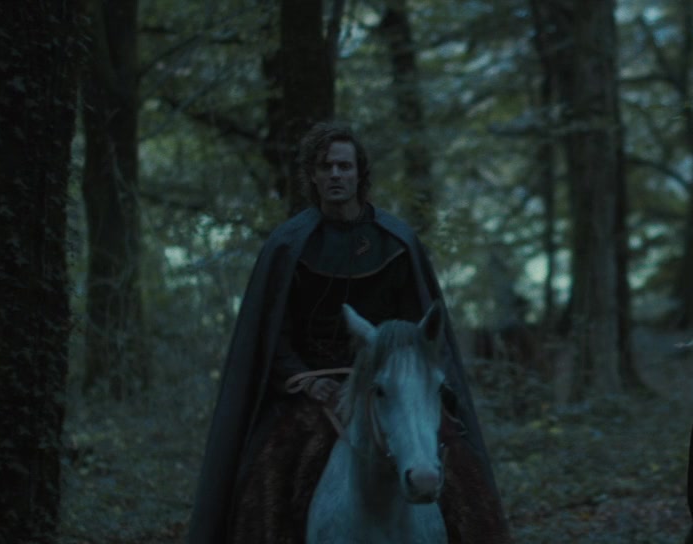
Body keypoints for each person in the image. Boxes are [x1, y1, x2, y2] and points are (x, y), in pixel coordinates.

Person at [188, 121, 511, 544]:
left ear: (360, 173)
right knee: (270, 470)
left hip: (389, 383)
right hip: (311, 389)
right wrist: (307, 381)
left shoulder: (396, 242)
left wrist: (404, 380)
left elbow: (421, 332)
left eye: (344, 166)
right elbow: (273, 336)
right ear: (313, 175)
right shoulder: (289, 245)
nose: (336, 175)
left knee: (463, 476)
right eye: (326, 167)